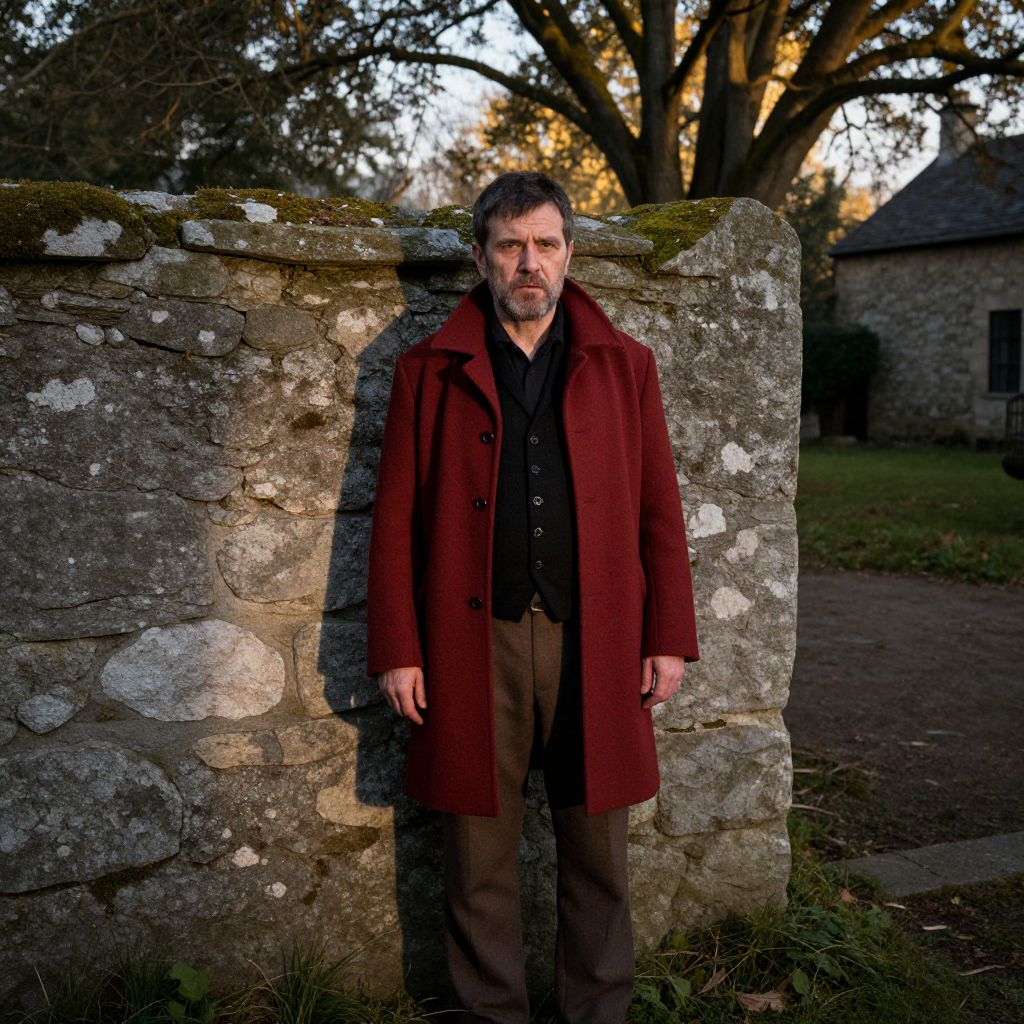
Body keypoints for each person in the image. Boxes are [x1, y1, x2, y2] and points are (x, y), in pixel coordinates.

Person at [366, 171, 700, 1024]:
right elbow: (395, 519)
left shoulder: (626, 367)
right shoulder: (425, 371)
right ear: (479, 256)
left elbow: (660, 510)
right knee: (477, 858)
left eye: (545, 244)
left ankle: (598, 1013)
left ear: (569, 255)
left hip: (599, 640)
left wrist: (667, 635)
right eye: (510, 245)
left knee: (598, 855)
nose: (529, 263)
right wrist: (400, 647)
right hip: (468, 643)